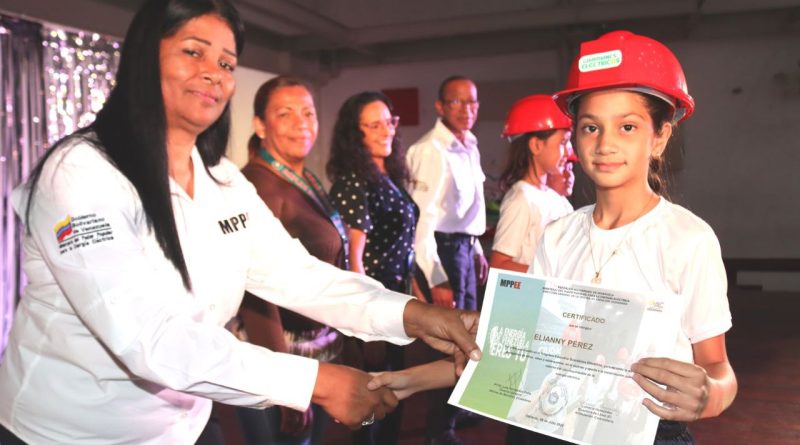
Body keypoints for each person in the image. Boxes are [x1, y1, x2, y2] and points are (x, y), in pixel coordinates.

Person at [0, 1, 481, 444]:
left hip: (183, 423)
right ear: (145, 58)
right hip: (66, 430)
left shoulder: (222, 179)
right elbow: (148, 338)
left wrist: (414, 315)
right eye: (194, 52)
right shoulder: (81, 172)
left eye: (227, 63)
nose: (213, 73)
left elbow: (299, 276)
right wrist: (314, 382)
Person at [371, 30, 738, 445]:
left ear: (660, 137)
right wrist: (407, 380)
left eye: (628, 127)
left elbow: (718, 368)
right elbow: (519, 353)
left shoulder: (688, 240)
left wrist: (709, 396)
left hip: (646, 431)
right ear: (575, 136)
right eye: (591, 127)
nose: (605, 144)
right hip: (553, 422)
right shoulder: (559, 236)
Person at [235, 76, 347, 445]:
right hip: (277, 358)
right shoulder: (256, 186)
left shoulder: (305, 178)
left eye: (308, 113)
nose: (301, 123)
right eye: (285, 114)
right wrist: (286, 385)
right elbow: (255, 294)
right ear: (260, 125)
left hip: (316, 349)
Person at [326, 91, 419, 445]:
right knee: (370, 394)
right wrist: (366, 322)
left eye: (389, 122)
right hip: (374, 303)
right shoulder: (355, 181)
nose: (386, 130)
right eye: (374, 125)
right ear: (356, 133)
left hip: (396, 300)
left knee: (394, 390)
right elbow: (353, 259)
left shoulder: (387, 175)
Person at [406, 75, 488, 445]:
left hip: (465, 248)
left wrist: (477, 248)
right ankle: (439, 430)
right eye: (457, 102)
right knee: (450, 340)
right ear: (440, 106)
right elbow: (422, 222)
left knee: (470, 336)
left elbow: (472, 207)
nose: (466, 109)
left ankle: (457, 409)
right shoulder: (430, 150)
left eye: (472, 102)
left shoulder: (469, 143)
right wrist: (436, 276)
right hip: (442, 252)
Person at [489, 94, 575, 273]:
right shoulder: (521, 199)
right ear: (536, 145)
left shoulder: (555, 198)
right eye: (563, 142)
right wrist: (550, 276)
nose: (568, 152)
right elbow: (499, 265)